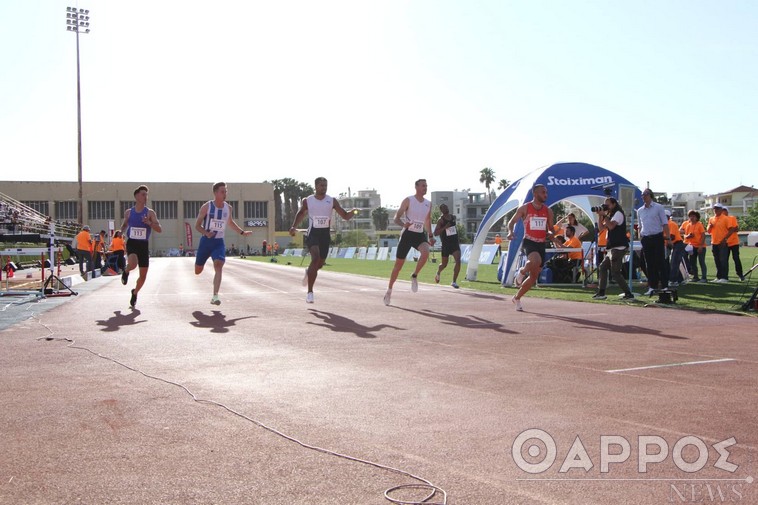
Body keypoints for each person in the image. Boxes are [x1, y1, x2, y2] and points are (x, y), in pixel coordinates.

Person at [289, 177, 357, 303]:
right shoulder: (308, 200)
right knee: (315, 258)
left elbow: (345, 216)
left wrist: (353, 212)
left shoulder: (332, 201)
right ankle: (310, 292)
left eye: (325, 185)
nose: (324, 188)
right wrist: (294, 227)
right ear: (315, 186)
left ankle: (309, 271)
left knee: (319, 264)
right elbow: (301, 213)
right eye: (321, 185)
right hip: (313, 233)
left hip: (325, 235)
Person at [195, 182, 252, 305]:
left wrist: (242, 232)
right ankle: (200, 263)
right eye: (222, 191)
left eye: (226, 191)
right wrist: (206, 232)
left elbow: (230, 223)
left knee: (218, 265)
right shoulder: (207, 207)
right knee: (198, 271)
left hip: (218, 242)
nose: (225, 194)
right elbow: (197, 225)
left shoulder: (228, 208)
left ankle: (215, 296)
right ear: (215, 193)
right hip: (206, 242)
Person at [506, 183, 560, 311]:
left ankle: (517, 298)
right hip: (529, 241)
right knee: (535, 261)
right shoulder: (525, 208)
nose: (545, 195)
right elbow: (512, 222)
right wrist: (510, 231)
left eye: (546, 192)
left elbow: (551, 229)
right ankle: (521, 272)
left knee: (534, 277)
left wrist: (553, 234)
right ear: (535, 194)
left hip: (541, 243)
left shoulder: (548, 211)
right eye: (543, 192)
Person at [384, 179, 436, 306]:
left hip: (419, 235)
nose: (425, 188)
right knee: (398, 266)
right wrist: (403, 224)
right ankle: (389, 290)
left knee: (425, 252)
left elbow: (427, 220)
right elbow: (396, 217)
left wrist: (430, 235)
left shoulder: (428, 204)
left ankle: (414, 275)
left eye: (426, 186)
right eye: (423, 186)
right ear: (416, 187)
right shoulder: (408, 200)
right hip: (407, 234)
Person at [120, 185, 162, 308]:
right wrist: (120, 232)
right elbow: (124, 225)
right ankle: (126, 271)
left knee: (143, 276)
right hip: (132, 242)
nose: (145, 197)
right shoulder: (129, 212)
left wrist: (149, 223)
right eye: (143, 194)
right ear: (137, 196)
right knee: (132, 264)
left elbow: (159, 229)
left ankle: (135, 292)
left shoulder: (150, 213)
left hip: (143, 244)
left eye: (146, 195)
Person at [592, 197, 634, 300]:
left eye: (607, 205)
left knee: (615, 273)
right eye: (604, 205)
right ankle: (601, 293)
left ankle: (628, 293)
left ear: (614, 204)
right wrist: (600, 216)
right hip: (612, 248)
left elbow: (611, 226)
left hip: (619, 247)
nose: (605, 207)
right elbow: (601, 229)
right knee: (602, 267)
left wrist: (604, 215)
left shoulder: (618, 214)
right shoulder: (610, 215)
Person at [636, 188, 670, 295]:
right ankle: (652, 286)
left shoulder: (658, 207)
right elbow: (640, 226)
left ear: (650, 195)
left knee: (660, 262)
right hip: (646, 238)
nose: (643, 197)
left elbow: (665, 223)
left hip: (657, 237)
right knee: (648, 263)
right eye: (642, 195)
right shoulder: (640, 210)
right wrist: (640, 238)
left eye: (645, 194)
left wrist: (668, 237)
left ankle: (664, 286)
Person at [433, 203, 461, 288]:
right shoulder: (440, 220)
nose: (446, 209)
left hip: (454, 243)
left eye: (446, 207)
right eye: (444, 208)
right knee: (444, 264)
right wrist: (445, 227)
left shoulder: (453, 217)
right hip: (446, 244)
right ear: (441, 210)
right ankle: (438, 272)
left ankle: (454, 281)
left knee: (458, 261)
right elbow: (436, 233)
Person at [680, 210, 707, 283]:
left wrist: (701, 246)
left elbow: (703, 235)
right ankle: (696, 277)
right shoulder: (688, 225)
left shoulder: (699, 224)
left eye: (693, 216)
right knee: (692, 262)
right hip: (692, 246)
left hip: (700, 246)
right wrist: (687, 236)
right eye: (690, 216)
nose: (691, 218)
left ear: (697, 217)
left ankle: (704, 278)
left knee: (701, 262)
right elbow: (685, 235)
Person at [706, 203, 730, 283]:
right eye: (715, 209)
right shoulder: (711, 219)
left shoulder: (725, 218)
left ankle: (724, 277)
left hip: (722, 242)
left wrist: (725, 239)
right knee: (717, 260)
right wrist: (710, 226)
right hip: (714, 242)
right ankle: (719, 277)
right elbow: (708, 231)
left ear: (721, 209)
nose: (716, 210)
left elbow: (731, 229)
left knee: (723, 260)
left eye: (718, 209)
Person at [722, 208, 745, 281]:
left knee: (736, 258)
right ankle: (724, 276)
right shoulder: (721, 220)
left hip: (734, 242)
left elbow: (736, 228)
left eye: (725, 212)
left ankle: (740, 274)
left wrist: (730, 229)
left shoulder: (732, 218)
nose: (724, 213)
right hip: (725, 243)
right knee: (724, 260)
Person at [665, 211, 687, 286]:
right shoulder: (664, 224)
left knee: (674, 262)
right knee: (674, 262)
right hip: (672, 244)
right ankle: (680, 279)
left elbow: (672, 236)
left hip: (677, 243)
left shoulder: (671, 223)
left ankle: (673, 280)